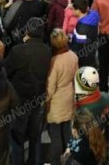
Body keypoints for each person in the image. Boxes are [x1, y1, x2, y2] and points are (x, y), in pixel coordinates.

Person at [4, 17, 51, 165]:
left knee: (17, 137)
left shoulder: (18, 50)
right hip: (38, 99)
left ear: (28, 31)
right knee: (35, 136)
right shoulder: (47, 50)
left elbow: (6, 70)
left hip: (20, 100)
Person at [46, 30, 79, 165]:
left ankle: (54, 161)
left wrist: (44, 100)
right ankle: (71, 159)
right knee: (67, 132)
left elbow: (50, 88)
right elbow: (76, 77)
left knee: (55, 136)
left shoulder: (54, 62)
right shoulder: (73, 56)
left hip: (56, 103)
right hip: (69, 97)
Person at [69, 0, 100, 67]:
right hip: (92, 53)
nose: (71, 11)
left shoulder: (81, 29)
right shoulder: (93, 14)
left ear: (78, 10)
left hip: (84, 61)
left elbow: (78, 48)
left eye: (72, 9)